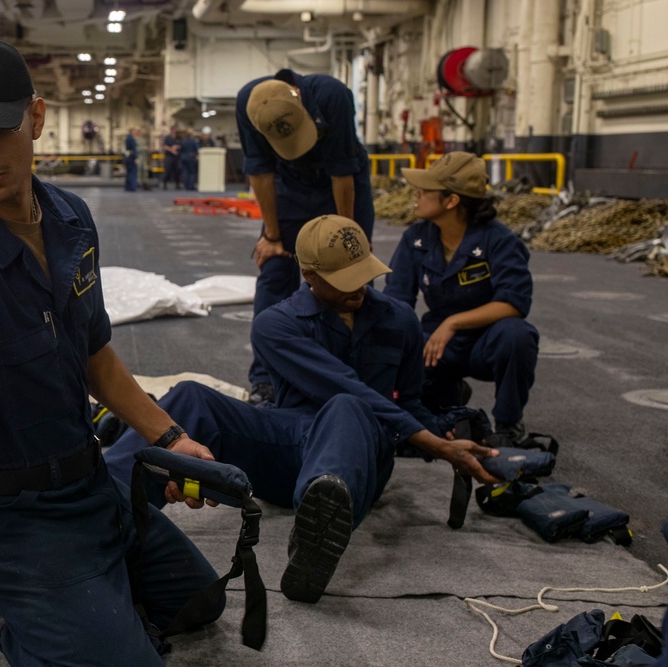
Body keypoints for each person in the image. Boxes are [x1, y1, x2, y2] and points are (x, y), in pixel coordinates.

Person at [0, 35, 223, 665]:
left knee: (196, 605)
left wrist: (169, 440)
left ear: (37, 116)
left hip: (87, 485)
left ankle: (71, 597)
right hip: (8, 518)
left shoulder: (71, 218)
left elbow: (95, 355)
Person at [105, 215, 500, 605]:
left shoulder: (402, 321)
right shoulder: (276, 324)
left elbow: (408, 402)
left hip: (361, 455)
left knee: (348, 409)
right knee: (192, 395)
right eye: (344, 280)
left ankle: (317, 533)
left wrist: (449, 438)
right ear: (309, 274)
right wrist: (433, 442)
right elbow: (342, 383)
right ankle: (101, 509)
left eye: (363, 273)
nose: (359, 288)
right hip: (290, 443)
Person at [236, 68, 375, 406]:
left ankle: (361, 374)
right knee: (274, 274)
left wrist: (345, 242)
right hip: (288, 188)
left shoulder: (333, 96)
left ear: (297, 97)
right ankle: (266, 379)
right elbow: (261, 173)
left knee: (353, 279)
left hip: (340, 185)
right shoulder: (248, 103)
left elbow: (342, 175)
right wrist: (272, 235)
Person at [383, 152, 539, 441]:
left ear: (451, 201)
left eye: (425, 190)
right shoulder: (416, 239)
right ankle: (446, 396)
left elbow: (515, 302)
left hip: (487, 340)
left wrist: (453, 323)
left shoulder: (498, 240)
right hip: (438, 345)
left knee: (518, 336)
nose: (416, 195)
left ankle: (507, 423)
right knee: (401, 345)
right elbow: (396, 300)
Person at [124, 126, 139, 192]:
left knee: (128, 173)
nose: (135, 132)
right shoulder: (132, 139)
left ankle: (128, 187)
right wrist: (136, 157)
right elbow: (133, 149)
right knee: (132, 173)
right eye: (134, 131)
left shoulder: (127, 138)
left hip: (128, 157)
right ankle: (132, 187)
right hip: (131, 158)